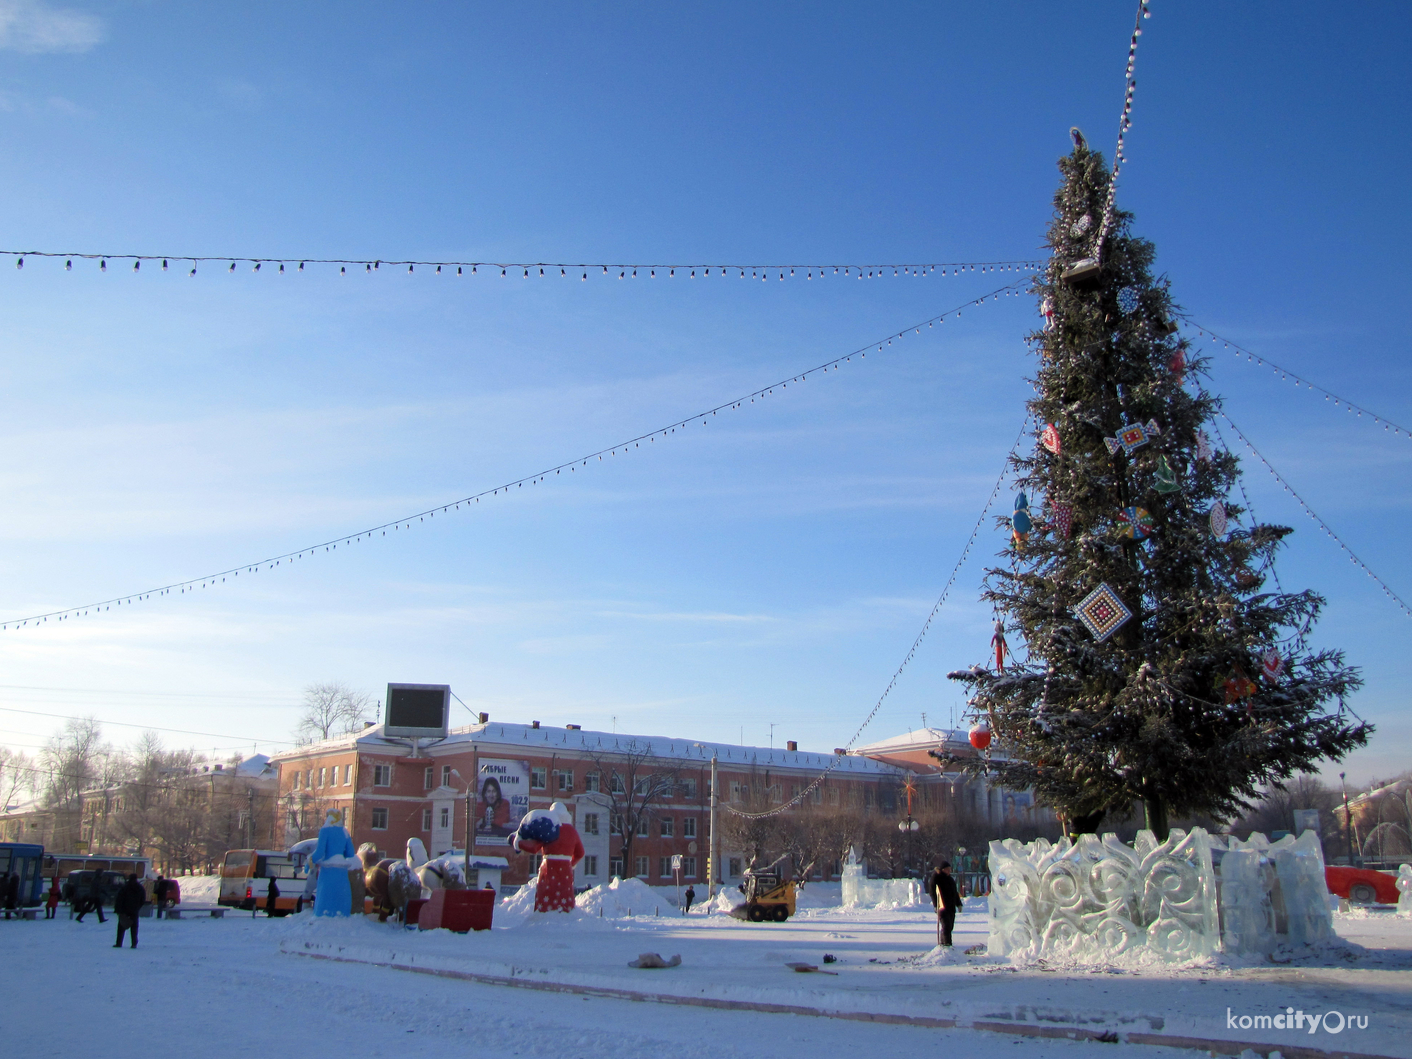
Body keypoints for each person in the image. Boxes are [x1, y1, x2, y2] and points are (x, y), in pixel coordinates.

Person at [511, 802, 583, 913]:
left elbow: (534, 848)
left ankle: (544, 912)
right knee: (564, 893)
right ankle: (566, 911)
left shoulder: (550, 827)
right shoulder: (572, 831)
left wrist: (517, 843)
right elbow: (580, 853)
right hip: (566, 869)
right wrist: (571, 864)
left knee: (546, 892)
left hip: (548, 867)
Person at [926, 861, 961, 947]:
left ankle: (944, 944)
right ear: (943, 869)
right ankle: (947, 945)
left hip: (951, 907)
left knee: (950, 927)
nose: (949, 871)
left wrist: (959, 904)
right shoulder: (936, 878)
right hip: (942, 906)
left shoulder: (950, 879)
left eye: (950, 869)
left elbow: (955, 893)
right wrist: (935, 905)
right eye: (948, 869)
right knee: (946, 926)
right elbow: (932, 892)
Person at [113, 873, 146, 948]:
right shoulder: (140, 888)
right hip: (134, 910)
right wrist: (137, 907)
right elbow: (143, 899)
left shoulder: (125, 887)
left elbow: (119, 899)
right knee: (134, 928)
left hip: (124, 910)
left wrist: (119, 909)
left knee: (121, 927)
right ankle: (134, 943)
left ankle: (119, 943)